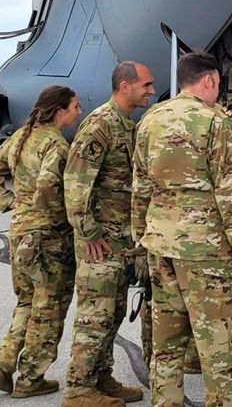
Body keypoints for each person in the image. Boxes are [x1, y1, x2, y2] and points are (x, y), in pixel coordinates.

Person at [133, 52, 232, 406]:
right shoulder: (214, 122)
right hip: (204, 248)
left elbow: (139, 186)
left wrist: (141, 234)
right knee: (217, 345)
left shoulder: (151, 119)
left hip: (160, 243)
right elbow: (226, 188)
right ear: (209, 81)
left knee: (166, 346)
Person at [0, 85, 84, 398]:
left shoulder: (20, 138)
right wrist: (61, 215)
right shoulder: (55, 145)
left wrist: (11, 202)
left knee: (27, 302)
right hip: (47, 237)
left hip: (20, 231)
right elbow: (49, 185)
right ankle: (30, 379)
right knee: (49, 309)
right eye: (75, 106)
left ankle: (5, 362)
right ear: (60, 111)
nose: (79, 112)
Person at [61, 62, 156, 407]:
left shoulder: (125, 124)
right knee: (94, 316)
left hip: (119, 243)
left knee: (112, 314)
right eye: (146, 85)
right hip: (100, 244)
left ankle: (100, 376)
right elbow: (75, 183)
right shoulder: (100, 125)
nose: (150, 90)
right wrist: (87, 233)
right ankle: (78, 388)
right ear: (125, 85)